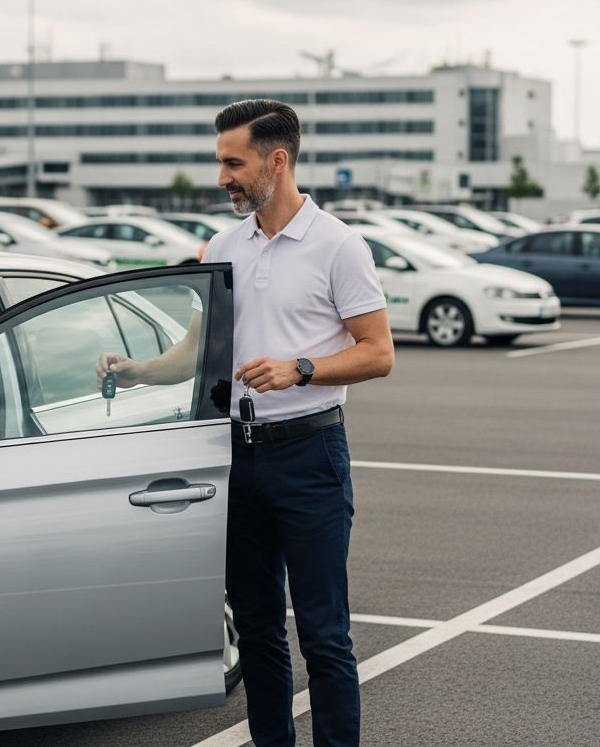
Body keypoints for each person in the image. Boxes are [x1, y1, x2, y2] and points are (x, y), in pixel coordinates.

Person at [96, 99, 393, 746]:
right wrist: (137, 370)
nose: (222, 177)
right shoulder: (222, 245)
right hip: (235, 457)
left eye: (233, 163)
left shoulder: (338, 245)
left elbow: (378, 352)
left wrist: (301, 369)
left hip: (309, 455)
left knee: (324, 634)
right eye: (220, 163)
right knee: (257, 628)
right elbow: (197, 355)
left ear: (276, 160)